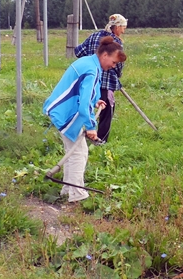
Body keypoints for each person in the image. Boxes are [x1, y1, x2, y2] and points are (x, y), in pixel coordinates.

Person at [43, 36, 127, 203]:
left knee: (72, 151)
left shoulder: (89, 63)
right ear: (105, 55)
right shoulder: (92, 70)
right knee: (79, 153)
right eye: (114, 62)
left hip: (63, 110)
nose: (114, 66)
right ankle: (77, 195)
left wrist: (95, 101)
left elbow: (84, 94)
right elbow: (83, 105)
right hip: (67, 113)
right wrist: (91, 126)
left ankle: (67, 190)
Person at [75, 14, 128, 142]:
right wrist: (116, 73)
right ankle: (101, 141)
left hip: (88, 80)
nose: (124, 30)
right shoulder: (116, 43)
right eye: (123, 27)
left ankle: (85, 134)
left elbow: (78, 52)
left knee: (87, 104)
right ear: (117, 27)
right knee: (106, 111)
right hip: (106, 82)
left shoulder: (94, 36)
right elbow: (118, 65)